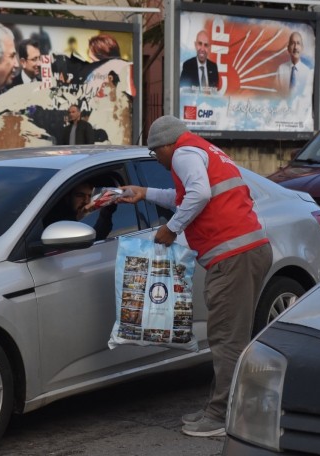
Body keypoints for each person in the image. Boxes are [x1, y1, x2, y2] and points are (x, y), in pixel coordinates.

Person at [117, 116, 272, 437]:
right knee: (229, 335)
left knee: (227, 337)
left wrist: (172, 229)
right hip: (243, 251)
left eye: (154, 154)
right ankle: (219, 408)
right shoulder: (202, 150)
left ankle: (220, 417)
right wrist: (144, 192)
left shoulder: (185, 154)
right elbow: (186, 195)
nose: (157, 161)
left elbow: (198, 194)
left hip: (234, 257)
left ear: (164, 146)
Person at [43, 181, 115, 240]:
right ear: (68, 199)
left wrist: (105, 215)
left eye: (90, 196)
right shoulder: (54, 224)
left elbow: (98, 239)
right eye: (80, 195)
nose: (86, 201)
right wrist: (79, 220)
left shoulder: (103, 216)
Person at [275, 32, 312, 97]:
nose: (295, 47)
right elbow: (275, 94)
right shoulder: (281, 69)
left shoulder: (308, 72)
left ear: (302, 48)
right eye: (292, 43)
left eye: (298, 43)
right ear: (288, 48)